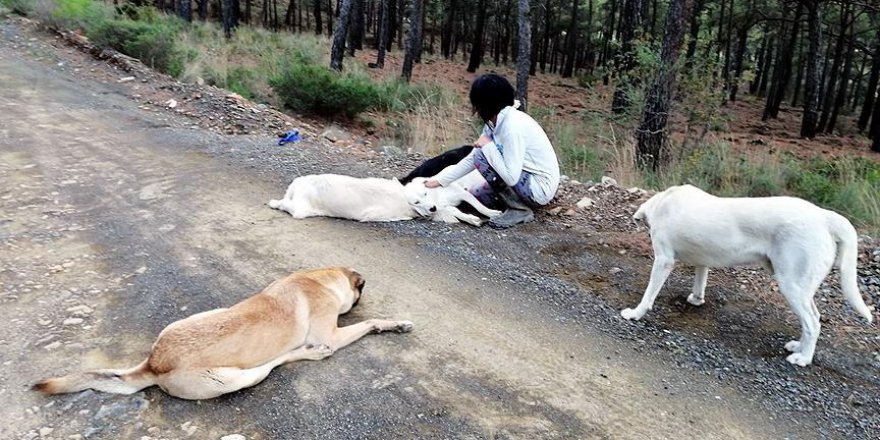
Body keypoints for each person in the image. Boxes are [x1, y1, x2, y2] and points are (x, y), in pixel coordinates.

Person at [424, 73, 560, 229]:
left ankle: (519, 209)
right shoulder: (494, 122)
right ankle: (511, 202)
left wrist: (488, 146)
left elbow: (511, 178)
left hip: (538, 188)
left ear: (484, 104)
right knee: (474, 197)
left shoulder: (511, 127)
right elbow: (473, 158)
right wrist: (440, 180)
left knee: (483, 156)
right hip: (524, 179)